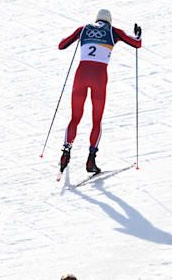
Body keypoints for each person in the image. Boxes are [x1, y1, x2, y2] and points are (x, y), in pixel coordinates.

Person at [58, 10, 142, 174]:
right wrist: (138, 34)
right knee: (97, 120)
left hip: (80, 76)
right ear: (109, 20)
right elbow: (137, 43)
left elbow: (62, 45)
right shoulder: (113, 31)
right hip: (99, 77)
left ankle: (65, 152)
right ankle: (91, 160)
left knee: (75, 118)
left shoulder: (83, 29)